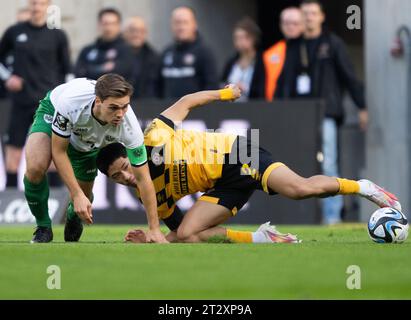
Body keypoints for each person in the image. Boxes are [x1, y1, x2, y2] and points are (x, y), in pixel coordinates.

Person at [96, 85, 400, 244]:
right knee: (190, 234)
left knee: (299, 189)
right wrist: (154, 238)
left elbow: (186, 102)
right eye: (117, 177)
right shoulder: (148, 194)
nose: (125, 176)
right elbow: (179, 234)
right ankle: (261, 238)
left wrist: (224, 94)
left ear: (130, 153)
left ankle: (364, 187)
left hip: (237, 154)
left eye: (124, 166)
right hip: (223, 186)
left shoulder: (153, 137)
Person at [24, 74, 167, 244]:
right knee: (35, 167)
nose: (120, 114)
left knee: (84, 195)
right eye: (113, 108)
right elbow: (59, 152)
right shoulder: (70, 103)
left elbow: (144, 178)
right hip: (52, 110)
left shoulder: (130, 128)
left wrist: (155, 229)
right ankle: (43, 227)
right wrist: (76, 194)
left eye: (125, 107)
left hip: (87, 143)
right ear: (98, 101)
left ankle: (73, 215)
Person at [275, 0, 368, 224]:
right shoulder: (293, 45)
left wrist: (362, 106)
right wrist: (279, 108)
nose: (309, 18)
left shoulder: (332, 43)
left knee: (327, 164)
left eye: (313, 13)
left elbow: (350, 77)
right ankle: (301, 216)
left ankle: (332, 217)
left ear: (321, 17)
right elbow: (284, 81)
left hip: (325, 113)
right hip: (298, 115)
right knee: (296, 164)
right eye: (305, 14)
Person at [0, 0, 71, 188]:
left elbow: (68, 71)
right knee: (13, 152)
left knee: (51, 153)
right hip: (20, 102)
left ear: (48, 5)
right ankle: (10, 201)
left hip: (48, 103)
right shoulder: (14, 32)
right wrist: (7, 78)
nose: (36, 7)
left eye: (40, 3)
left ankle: (56, 203)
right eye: (33, 3)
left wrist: (66, 99)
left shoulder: (58, 36)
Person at [158, 6, 218, 98]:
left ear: (194, 24)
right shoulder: (166, 53)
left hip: (197, 111)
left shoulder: (205, 53)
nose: (181, 27)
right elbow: (158, 87)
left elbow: (212, 88)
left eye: (185, 22)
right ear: (171, 25)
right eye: (177, 23)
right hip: (169, 111)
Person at [75, 8, 134, 81]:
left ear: (119, 26)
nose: (109, 28)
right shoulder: (87, 50)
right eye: (105, 23)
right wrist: (104, 68)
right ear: (99, 25)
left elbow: (118, 75)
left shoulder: (127, 50)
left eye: (113, 24)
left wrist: (90, 70)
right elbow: (78, 74)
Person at [263, 7, 304, 101]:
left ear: (303, 24)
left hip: (303, 105)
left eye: (295, 23)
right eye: (286, 23)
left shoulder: (309, 48)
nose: (290, 27)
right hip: (276, 104)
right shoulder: (271, 53)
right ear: (280, 25)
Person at [221, 17, 265, 101]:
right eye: (236, 38)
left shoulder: (261, 62)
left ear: (253, 38)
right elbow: (222, 83)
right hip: (231, 107)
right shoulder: (231, 62)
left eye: (243, 37)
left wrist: (245, 89)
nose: (239, 42)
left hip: (253, 107)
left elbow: (263, 89)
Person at [123, 16, 160, 99]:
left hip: (148, 106)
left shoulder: (154, 57)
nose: (136, 34)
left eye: (141, 31)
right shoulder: (115, 55)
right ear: (124, 32)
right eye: (132, 30)